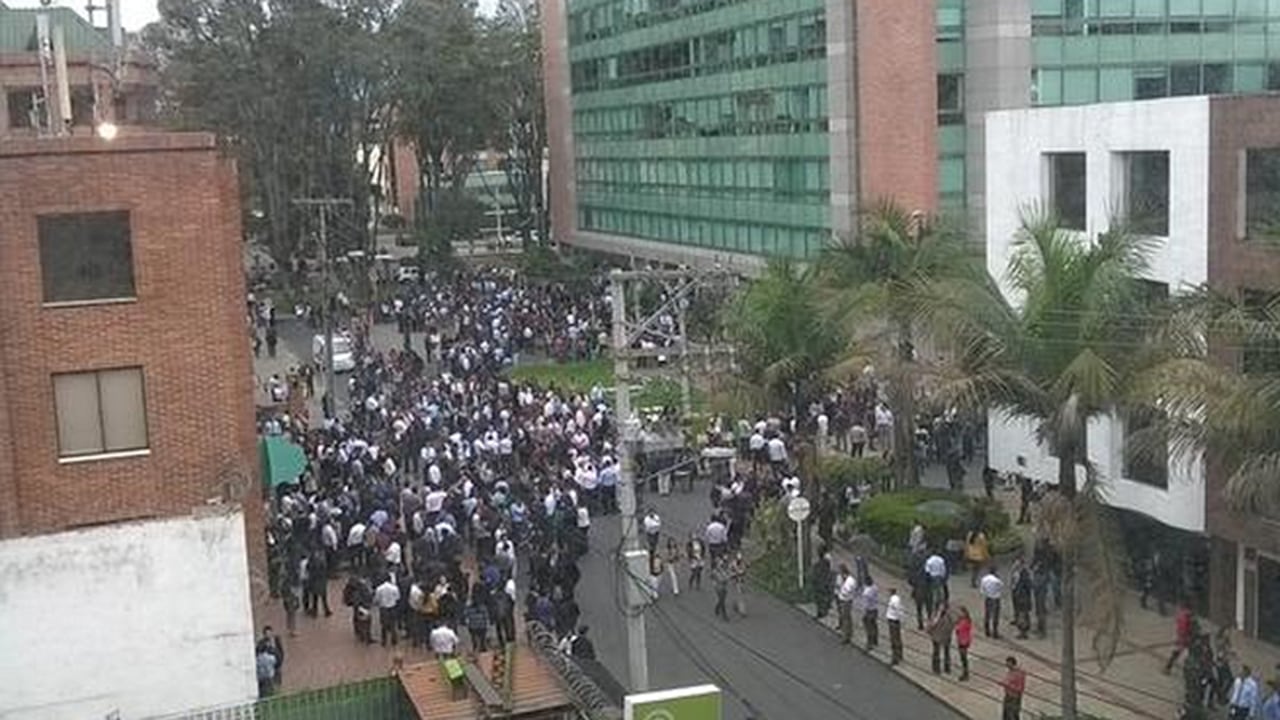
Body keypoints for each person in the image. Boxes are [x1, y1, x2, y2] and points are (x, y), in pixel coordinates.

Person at [1166, 602, 1195, 674]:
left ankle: (1169, 666)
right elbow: (1183, 629)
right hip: (1183, 637)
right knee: (1178, 652)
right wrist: (1184, 637)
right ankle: (1168, 666)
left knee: (1180, 652)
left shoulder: (1187, 616)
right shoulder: (1184, 617)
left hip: (1186, 637)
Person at [375, 574, 402, 647]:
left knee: (383, 625)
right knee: (393, 624)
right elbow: (398, 598)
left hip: (383, 608)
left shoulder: (379, 588)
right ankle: (394, 640)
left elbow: (377, 599)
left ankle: (384, 641)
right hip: (392, 607)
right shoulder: (394, 588)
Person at [835, 563, 857, 644]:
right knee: (847, 618)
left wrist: (841, 589)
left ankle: (846, 636)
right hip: (844, 599)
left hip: (846, 601)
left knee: (845, 619)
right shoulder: (846, 579)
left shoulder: (850, 581)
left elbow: (846, 592)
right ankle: (849, 633)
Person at [980, 565, 1003, 639]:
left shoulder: (984, 579)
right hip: (995, 598)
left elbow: (982, 590)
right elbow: (1001, 588)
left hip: (988, 598)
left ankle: (987, 630)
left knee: (987, 614)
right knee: (995, 616)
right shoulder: (997, 581)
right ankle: (995, 632)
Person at [811, 549, 834, 621]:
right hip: (823, 584)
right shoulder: (826, 565)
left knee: (820, 599)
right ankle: (823, 611)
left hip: (820, 584)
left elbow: (815, 574)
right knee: (823, 598)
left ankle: (821, 612)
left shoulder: (817, 565)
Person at [885, 586, 905, 665]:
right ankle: (899, 655)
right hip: (894, 619)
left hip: (894, 620)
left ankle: (895, 657)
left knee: (895, 639)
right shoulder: (894, 599)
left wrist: (900, 619)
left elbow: (898, 610)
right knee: (896, 638)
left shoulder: (894, 600)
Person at [860, 574, 880, 650]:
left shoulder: (867, 592)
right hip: (875, 609)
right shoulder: (875, 587)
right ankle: (875, 640)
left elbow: (866, 603)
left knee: (868, 627)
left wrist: (864, 611)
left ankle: (870, 643)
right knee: (874, 625)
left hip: (869, 610)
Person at [954, 606, 973, 681]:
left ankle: (965, 674)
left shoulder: (965, 622)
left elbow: (958, 629)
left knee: (964, 658)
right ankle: (965, 673)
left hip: (963, 641)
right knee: (963, 658)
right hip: (962, 640)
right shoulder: (963, 620)